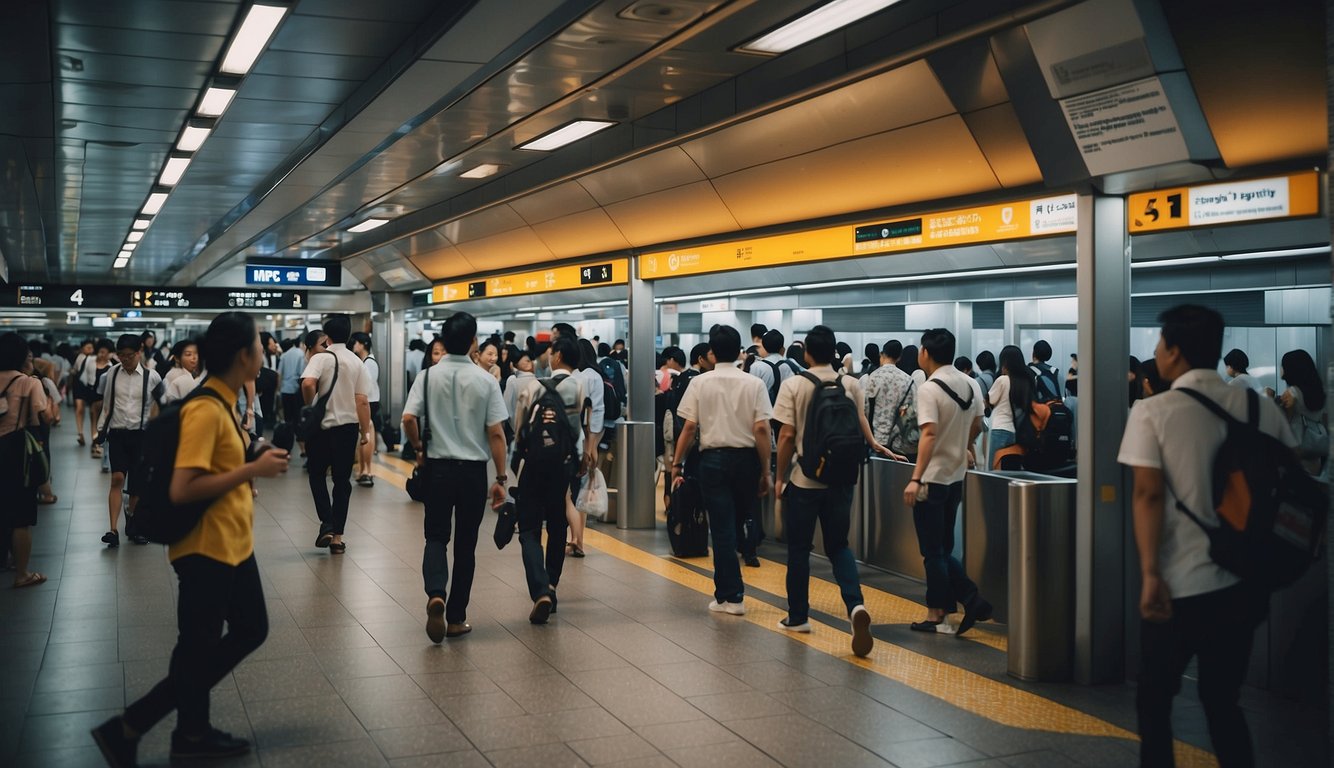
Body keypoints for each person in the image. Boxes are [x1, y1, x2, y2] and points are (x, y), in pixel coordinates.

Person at [91, 312, 289, 767]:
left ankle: (186, 731)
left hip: (232, 544)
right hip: (205, 548)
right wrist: (251, 470)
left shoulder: (223, 402)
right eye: (258, 344)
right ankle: (137, 726)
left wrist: (252, 453)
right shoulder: (205, 408)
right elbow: (184, 487)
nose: (264, 351)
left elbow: (230, 449)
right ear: (244, 356)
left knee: (234, 634)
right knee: (204, 644)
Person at [1117, 305, 1293, 768]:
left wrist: (1151, 574)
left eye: (1159, 343)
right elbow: (1285, 487)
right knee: (1224, 704)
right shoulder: (1261, 407)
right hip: (1244, 582)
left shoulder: (1152, 411)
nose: (1155, 351)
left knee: (1155, 704)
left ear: (1173, 352)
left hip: (1178, 584)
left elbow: (1148, 496)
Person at [774, 325, 891, 656]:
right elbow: (860, 424)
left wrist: (779, 477)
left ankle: (798, 617)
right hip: (842, 479)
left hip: (805, 481)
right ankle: (855, 606)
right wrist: (876, 445)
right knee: (839, 546)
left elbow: (785, 436)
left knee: (799, 549)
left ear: (807, 352)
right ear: (835, 353)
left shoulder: (794, 385)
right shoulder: (851, 384)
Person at [402, 312, 508, 642]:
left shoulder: (428, 377)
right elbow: (496, 433)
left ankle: (436, 592)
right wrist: (501, 478)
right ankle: (456, 618)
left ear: (444, 342)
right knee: (466, 545)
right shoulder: (486, 380)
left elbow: (408, 418)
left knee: (435, 537)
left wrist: (419, 447)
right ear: (473, 342)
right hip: (473, 473)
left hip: (437, 469)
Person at [670, 324, 771, 616]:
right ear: (739, 350)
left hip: (712, 461)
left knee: (722, 528)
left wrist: (677, 463)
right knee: (739, 523)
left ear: (712, 353)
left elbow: (689, 428)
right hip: (747, 461)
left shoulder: (701, 383)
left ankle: (730, 596)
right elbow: (762, 429)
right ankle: (731, 592)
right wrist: (765, 471)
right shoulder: (754, 384)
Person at [904, 329, 991, 636]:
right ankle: (963, 602)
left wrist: (916, 478)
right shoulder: (970, 383)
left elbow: (928, 434)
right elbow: (979, 424)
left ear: (925, 353)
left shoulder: (929, 389)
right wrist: (965, 448)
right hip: (957, 476)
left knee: (932, 551)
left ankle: (940, 611)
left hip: (932, 477)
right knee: (942, 546)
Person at [511, 336, 590, 624]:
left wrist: (516, 458)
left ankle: (540, 589)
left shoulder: (534, 386)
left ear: (556, 357)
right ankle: (553, 585)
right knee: (557, 525)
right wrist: (581, 461)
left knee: (530, 529)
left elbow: (520, 427)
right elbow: (579, 430)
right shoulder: (580, 388)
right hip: (563, 465)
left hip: (534, 464)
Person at [301, 315, 373, 555]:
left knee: (317, 475)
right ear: (349, 335)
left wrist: (312, 404)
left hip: (321, 428)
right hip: (347, 429)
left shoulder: (321, 358)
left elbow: (308, 383)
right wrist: (365, 432)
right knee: (342, 481)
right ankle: (337, 538)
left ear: (327, 336)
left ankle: (327, 523)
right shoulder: (356, 362)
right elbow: (362, 401)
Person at [95, 334, 164, 548]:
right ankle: (112, 529)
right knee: (117, 478)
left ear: (139, 352)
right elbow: (106, 405)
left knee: (136, 486)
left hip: (141, 435)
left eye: (129, 356)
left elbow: (163, 403)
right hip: (117, 433)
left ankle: (133, 523)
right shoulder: (110, 374)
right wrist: (99, 431)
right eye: (121, 356)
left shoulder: (152, 377)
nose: (125, 360)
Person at [0, 333, 49, 588]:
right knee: (20, 515)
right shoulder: (28, 383)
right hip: (16, 451)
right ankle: (22, 573)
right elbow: (45, 416)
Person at [567, 338, 605, 558]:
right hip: (588, 439)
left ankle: (577, 540)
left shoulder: (583, 376)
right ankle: (577, 539)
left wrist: (589, 446)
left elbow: (594, 411)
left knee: (575, 492)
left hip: (581, 440)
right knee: (578, 492)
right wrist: (593, 444)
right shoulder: (592, 376)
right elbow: (597, 412)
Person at [1274, 349, 1327, 477]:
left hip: (1296, 450)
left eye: (1283, 365)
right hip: (1315, 449)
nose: (1281, 368)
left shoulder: (1292, 392)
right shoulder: (1319, 392)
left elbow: (1284, 422)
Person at [864, 340, 917, 461]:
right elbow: (913, 410)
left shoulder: (873, 377)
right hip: (899, 442)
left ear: (882, 354)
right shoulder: (908, 380)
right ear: (899, 358)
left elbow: (864, 408)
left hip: (876, 440)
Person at [987, 346, 1031, 470]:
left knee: (993, 468)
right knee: (1006, 469)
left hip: (999, 429)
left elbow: (991, 400)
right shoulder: (1024, 382)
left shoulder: (1002, 380)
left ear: (1004, 362)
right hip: (1013, 431)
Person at [350, 332, 381, 488]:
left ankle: (366, 470)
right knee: (365, 433)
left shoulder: (369, 362)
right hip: (366, 401)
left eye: (355, 343)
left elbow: (366, 386)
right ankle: (363, 469)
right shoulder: (364, 361)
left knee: (367, 433)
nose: (354, 345)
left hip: (369, 402)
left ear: (362, 344)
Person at [277, 335, 306, 436]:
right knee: (296, 414)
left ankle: (288, 433)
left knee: (287, 414)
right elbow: (301, 372)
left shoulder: (284, 356)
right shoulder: (300, 353)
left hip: (285, 389)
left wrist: (278, 390)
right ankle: (297, 433)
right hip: (296, 389)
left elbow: (279, 374)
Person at [71, 338, 96, 447]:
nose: (90, 349)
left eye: (91, 347)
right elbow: (75, 370)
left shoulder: (95, 359)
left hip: (90, 384)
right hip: (79, 384)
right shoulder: (79, 358)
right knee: (79, 407)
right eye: (87, 347)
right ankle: (80, 433)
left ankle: (94, 434)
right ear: (82, 349)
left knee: (92, 411)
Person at [162, 339, 201, 404]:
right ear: (177, 358)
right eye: (188, 354)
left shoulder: (171, 373)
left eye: (196, 354)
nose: (194, 358)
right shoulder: (181, 377)